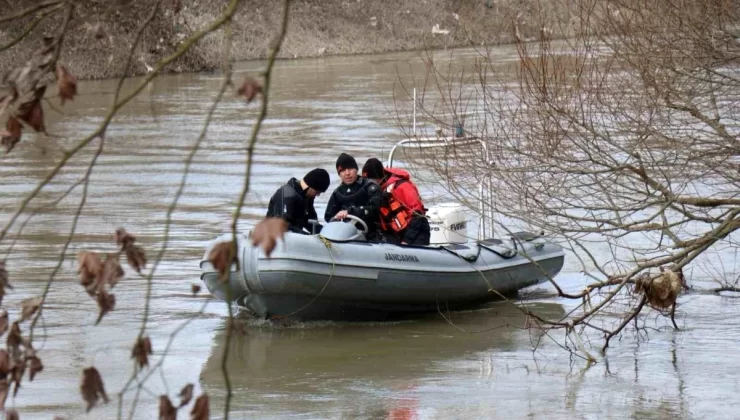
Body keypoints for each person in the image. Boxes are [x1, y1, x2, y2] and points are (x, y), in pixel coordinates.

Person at [362, 158, 430, 246]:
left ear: (379, 179)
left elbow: (418, 215)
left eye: (371, 182)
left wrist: (406, 241)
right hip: (396, 234)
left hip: (416, 232)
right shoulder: (376, 192)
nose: (369, 186)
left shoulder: (402, 187)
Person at [324, 153, 381, 234]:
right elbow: (328, 217)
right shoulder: (337, 193)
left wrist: (349, 212)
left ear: (356, 170)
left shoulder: (370, 186)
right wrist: (337, 217)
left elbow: (374, 210)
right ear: (339, 174)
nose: (347, 173)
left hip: (370, 234)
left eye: (350, 169)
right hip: (343, 234)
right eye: (343, 170)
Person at [266, 168, 330, 234]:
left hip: (294, 238)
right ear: (310, 186)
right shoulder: (287, 194)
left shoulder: (307, 197)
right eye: (317, 192)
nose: (318, 195)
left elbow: (310, 222)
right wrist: (306, 236)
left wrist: (326, 232)